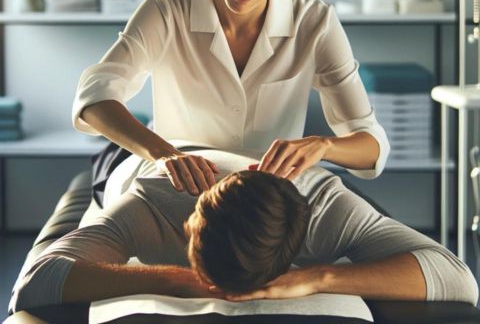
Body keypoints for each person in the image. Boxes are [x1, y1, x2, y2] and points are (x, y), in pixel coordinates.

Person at [72, 0, 390, 199]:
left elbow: (372, 146)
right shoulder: (168, 8)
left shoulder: (314, 22)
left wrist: (322, 145)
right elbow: (93, 100)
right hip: (178, 187)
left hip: (263, 201)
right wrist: (165, 154)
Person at [10, 149, 478, 312]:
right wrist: (178, 278)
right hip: (143, 160)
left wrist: (313, 278)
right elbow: (33, 283)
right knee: (110, 160)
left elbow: (458, 279)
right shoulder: (148, 204)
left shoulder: (329, 208)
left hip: (252, 152)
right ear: (191, 222)